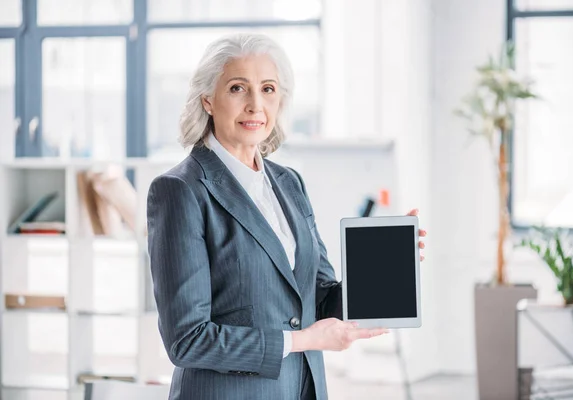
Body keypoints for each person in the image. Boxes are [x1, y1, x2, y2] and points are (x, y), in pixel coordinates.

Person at [146, 33, 427, 400]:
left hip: (302, 389)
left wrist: (386, 269)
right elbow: (188, 340)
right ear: (208, 100)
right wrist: (301, 340)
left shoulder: (288, 183)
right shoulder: (180, 191)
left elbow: (319, 299)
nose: (255, 105)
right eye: (237, 88)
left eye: (267, 89)